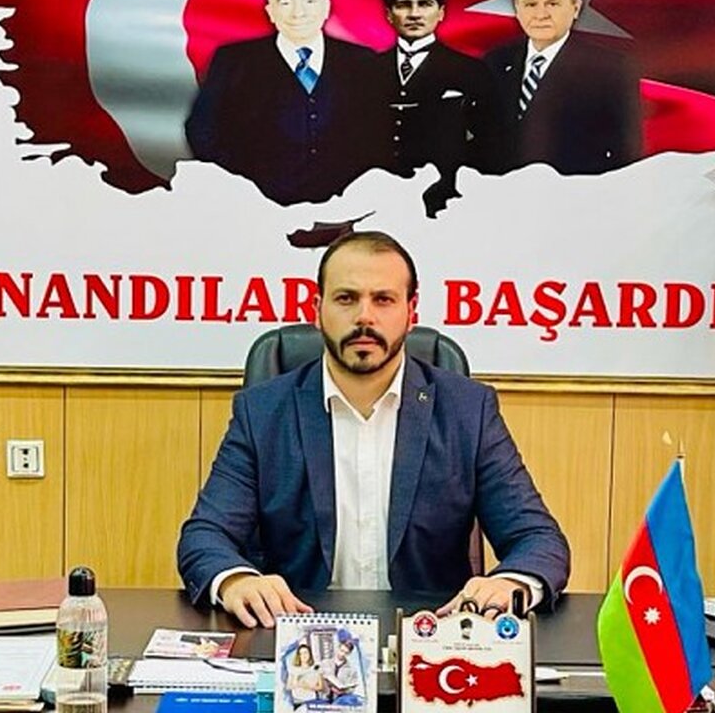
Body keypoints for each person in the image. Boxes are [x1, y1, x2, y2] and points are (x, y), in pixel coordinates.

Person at [177, 231, 571, 628]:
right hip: (298, 638)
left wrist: (509, 584)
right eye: (346, 298)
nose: (364, 316)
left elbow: (538, 539)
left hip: (429, 639)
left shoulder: (468, 411)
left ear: (411, 311)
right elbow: (205, 535)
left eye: (383, 299)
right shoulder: (263, 412)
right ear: (317, 309)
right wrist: (237, 580)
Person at [184, 0, 384, 205]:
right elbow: (201, 129)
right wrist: (241, 183)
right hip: (257, 206)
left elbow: (381, 132)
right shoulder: (233, 60)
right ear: (270, 12)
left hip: (345, 206)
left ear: (326, 8)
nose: (299, 13)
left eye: (310, 0)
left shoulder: (363, 61)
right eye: (285, 1)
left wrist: (358, 189)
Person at [483, 0, 641, 175]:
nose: (541, 15)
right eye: (530, 4)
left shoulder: (610, 67)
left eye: (552, 4)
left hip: (576, 189)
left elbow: (626, 154)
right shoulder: (496, 61)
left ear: (576, 9)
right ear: (517, 9)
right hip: (505, 189)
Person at [377, 0, 498, 216]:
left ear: (441, 13)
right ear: (389, 15)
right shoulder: (365, 70)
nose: (414, 14)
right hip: (379, 196)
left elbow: (490, 140)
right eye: (404, 5)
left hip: (446, 200)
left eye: (425, 4)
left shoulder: (470, 70)